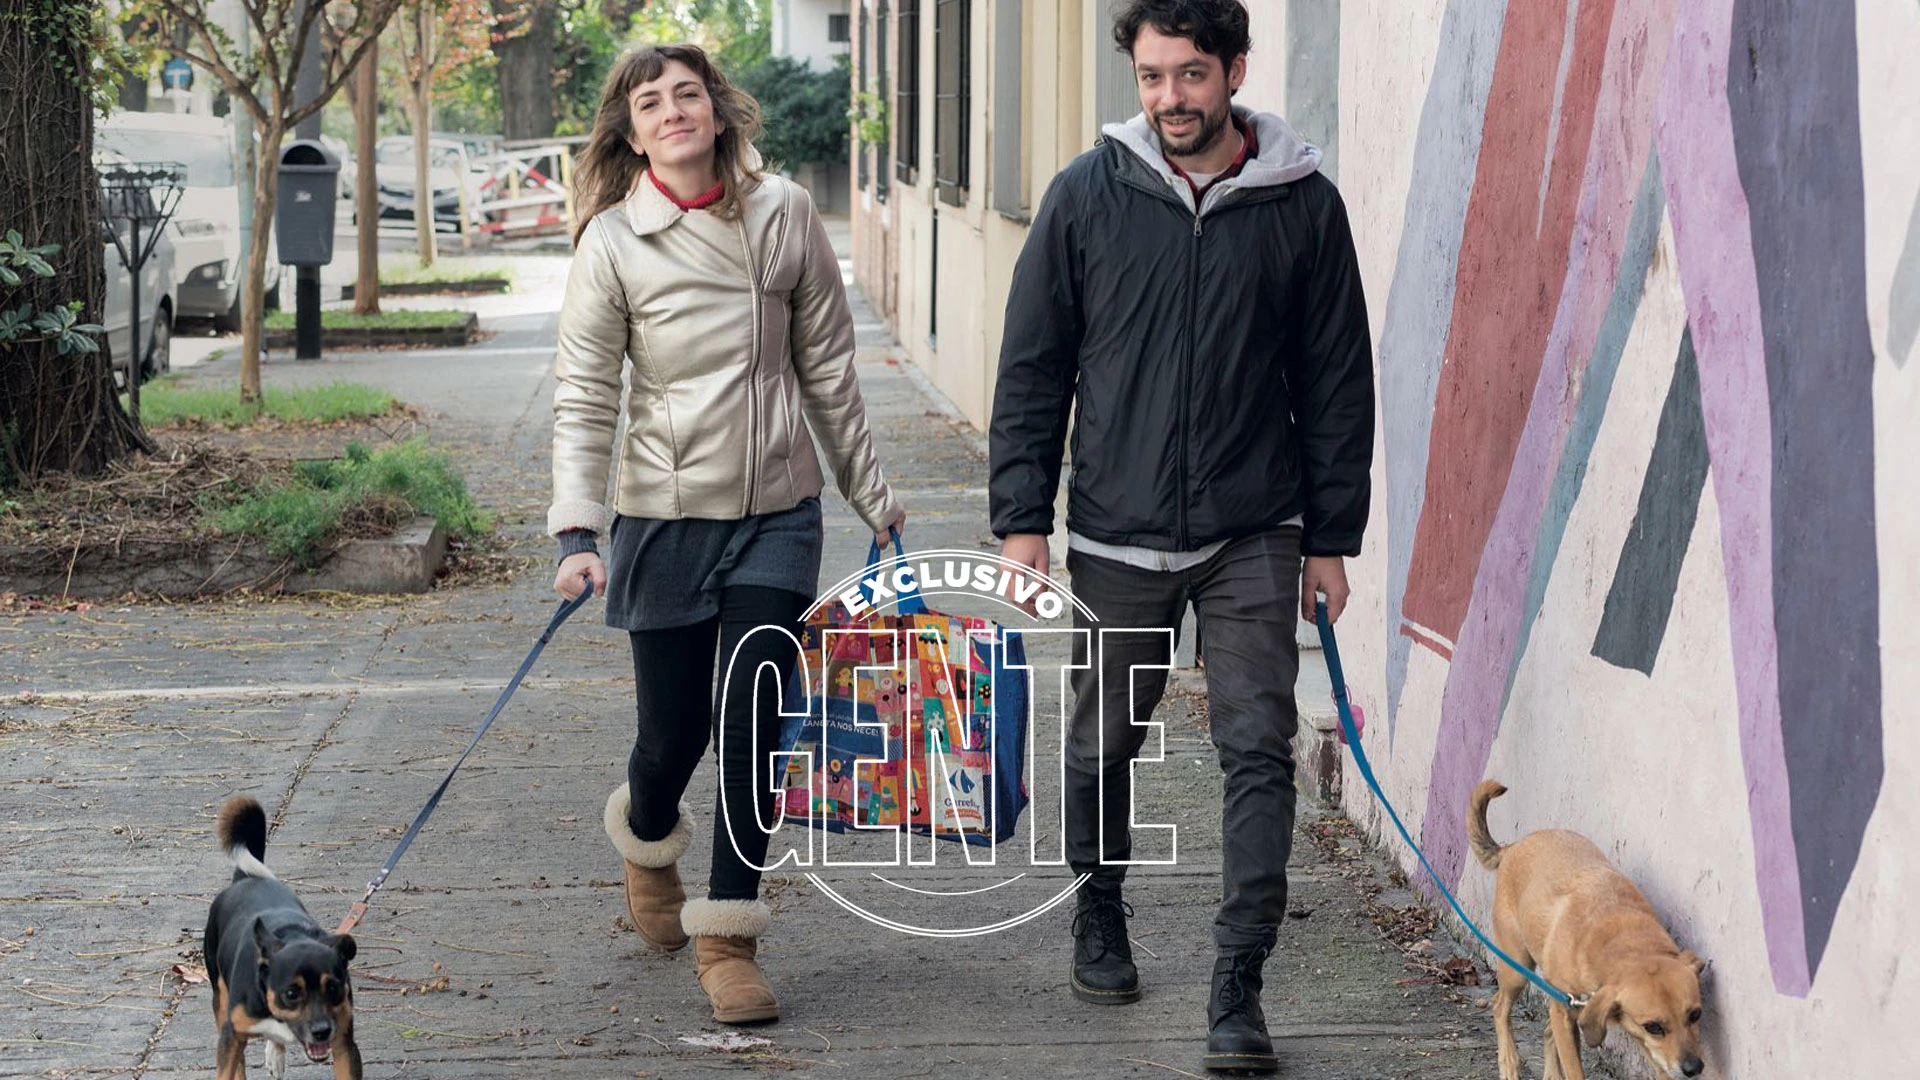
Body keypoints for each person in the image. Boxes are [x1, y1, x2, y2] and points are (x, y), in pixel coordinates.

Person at [988, 0, 1375, 1071]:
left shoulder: (1303, 205)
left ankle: (1238, 982)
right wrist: (1021, 520)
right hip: (1118, 529)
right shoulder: (1086, 195)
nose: (1170, 98)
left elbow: (1337, 383)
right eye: (1153, 77)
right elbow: (1034, 366)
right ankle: (1098, 904)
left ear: (1235, 71)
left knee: (1257, 745)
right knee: (1100, 741)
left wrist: (1331, 537)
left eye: (1191, 75)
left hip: (1256, 526)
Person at [548, 43, 904, 1027]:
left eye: (687, 93)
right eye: (650, 102)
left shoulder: (785, 212)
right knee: (673, 735)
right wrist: (577, 529)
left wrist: (872, 495)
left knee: (754, 722)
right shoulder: (614, 242)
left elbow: (829, 369)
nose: (673, 110)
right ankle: (646, 833)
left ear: (717, 110)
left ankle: (728, 938)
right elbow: (585, 397)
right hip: (663, 520)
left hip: (777, 514)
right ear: (630, 133)